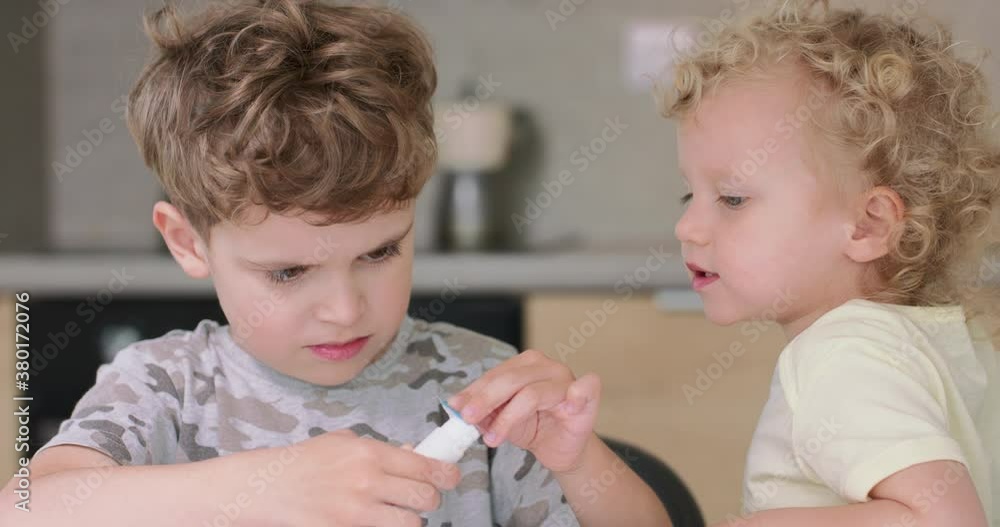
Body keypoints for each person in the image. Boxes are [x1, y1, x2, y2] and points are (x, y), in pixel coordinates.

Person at [0, 1, 668, 525]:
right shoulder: (163, 388)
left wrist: (579, 462)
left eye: (381, 251)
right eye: (288, 273)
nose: (346, 310)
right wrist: (264, 488)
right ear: (188, 242)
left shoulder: (479, 388)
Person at [657, 0, 999, 525]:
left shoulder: (840, 355)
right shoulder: (945, 343)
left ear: (867, 226)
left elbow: (946, 519)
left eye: (732, 198)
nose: (688, 227)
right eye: (689, 195)